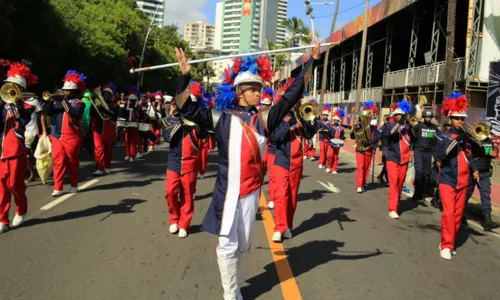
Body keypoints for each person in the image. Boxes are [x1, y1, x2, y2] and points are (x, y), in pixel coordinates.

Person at [173, 37, 319, 298]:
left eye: (258, 88)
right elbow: (185, 106)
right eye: (252, 89)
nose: (257, 92)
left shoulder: (264, 119)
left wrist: (312, 62)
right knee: (227, 246)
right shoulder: (219, 118)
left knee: (243, 247)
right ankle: (230, 295)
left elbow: (291, 96)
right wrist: (184, 77)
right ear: (239, 91)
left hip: (251, 194)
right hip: (226, 193)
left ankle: (236, 287)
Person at [270, 83, 319, 243]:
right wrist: (288, 123)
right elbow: (275, 137)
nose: (297, 102)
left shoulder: (301, 116)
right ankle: (279, 227)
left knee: (291, 197)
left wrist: (311, 121)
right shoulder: (278, 115)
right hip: (281, 160)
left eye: (298, 99)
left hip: (297, 162)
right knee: (281, 195)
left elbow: (310, 134)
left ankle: (288, 226)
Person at [435, 92, 479, 260]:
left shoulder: (466, 139)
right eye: (458, 118)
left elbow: (469, 156)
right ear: (451, 119)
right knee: (448, 213)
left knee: (458, 215)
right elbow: (441, 155)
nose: (461, 121)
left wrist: (474, 169)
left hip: (464, 181)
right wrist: (457, 140)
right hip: (447, 179)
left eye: (462, 118)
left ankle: (449, 242)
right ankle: (446, 245)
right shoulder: (443, 136)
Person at [164, 80, 208, 238]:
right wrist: (177, 121)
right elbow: (166, 136)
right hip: (174, 161)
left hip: (190, 163)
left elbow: (204, 137)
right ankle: (174, 218)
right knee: (170, 191)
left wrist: (197, 122)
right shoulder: (173, 117)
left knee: (188, 194)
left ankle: (184, 223)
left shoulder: (198, 121)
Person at [0, 62, 37, 233]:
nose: (11, 90)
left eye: (16, 87)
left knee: (15, 185)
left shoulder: (27, 107)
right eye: (10, 86)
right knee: (2, 188)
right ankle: (2, 219)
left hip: (16, 151)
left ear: (21, 90)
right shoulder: (2, 105)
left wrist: (16, 104)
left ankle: (21, 210)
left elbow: (22, 121)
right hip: (1, 151)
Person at [43, 70, 86, 196]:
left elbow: (74, 113)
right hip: (57, 136)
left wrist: (62, 100)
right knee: (58, 161)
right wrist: (48, 101)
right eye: (64, 90)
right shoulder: (57, 102)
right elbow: (46, 112)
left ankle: (73, 185)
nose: (65, 92)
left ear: (74, 92)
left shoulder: (79, 103)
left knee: (72, 162)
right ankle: (58, 187)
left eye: (68, 91)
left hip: (72, 137)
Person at [382, 100, 414, 219]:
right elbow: (387, 134)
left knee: (400, 183)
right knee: (394, 183)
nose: (400, 117)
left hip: (404, 159)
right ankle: (392, 208)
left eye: (402, 115)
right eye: (398, 115)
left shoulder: (408, 127)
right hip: (392, 157)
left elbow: (415, 137)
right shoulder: (389, 125)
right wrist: (398, 124)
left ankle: (396, 202)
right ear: (394, 116)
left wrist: (411, 125)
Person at [466, 123, 496, 231]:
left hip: (485, 172)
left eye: (488, 130)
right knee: (467, 192)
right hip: (474, 171)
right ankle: (459, 214)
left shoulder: (489, 141)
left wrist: (492, 154)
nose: (486, 132)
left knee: (486, 194)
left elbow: (489, 154)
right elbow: (471, 155)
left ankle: (487, 220)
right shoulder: (474, 141)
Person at [350, 101, 378, 193]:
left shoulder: (374, 126)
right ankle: (359, 185)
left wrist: (374, 146)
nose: (371, 116)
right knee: (361, 167)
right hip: (360, 148)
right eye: (370, 114)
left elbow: (376, 138)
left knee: (366, 168)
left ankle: (363, 184)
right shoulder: (359, 123)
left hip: (369, 148)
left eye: (373, 114)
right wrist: (355, 127)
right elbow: (352, 136)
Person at [411, 109, 439, 201]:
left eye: (430, 117)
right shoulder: (418, 126)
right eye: (426, 116)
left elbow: (437, 141)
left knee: (426, 174)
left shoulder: (434, 128)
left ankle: (421, 192)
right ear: (423, 117)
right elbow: (411, 136)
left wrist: (436, 157)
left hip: (428, 152)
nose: (428, 118)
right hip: (419, 151)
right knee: (419, 172)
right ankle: (416, 193)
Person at [91, 83, 118, 175]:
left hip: (108, 130)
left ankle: (107, 166)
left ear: (111, 95)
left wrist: (103, 109)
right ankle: (99, 168)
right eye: (104, 93)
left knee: (108, 150)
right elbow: (92, 113)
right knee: (98, 149)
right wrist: (95, 106)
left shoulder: (114, 105)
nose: (106, 95)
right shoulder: (97, 104)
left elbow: (114, 114)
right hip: (98, 129)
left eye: (108, 94)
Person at [328, 108, 346, 174]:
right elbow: (328, 134)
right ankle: (329, 166)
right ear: (333, 120)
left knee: (335, 156)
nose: (336, 121)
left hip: (337, 143)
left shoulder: (341, 128)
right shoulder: (330, 126)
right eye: (335, 120)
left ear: (339, 121)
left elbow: (342, 135)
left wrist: (343, 138)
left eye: (337, 120)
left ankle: (334, 168)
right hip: (331, 143)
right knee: (330, 155)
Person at [376, 114, 391, 184]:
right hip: (385, 146)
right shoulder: (384, 126)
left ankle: (381, 176)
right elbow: (379, 134)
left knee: (387, 164)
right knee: (387, 164)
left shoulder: (390, 125)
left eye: (384, 118)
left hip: (389, 146)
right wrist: (377, 141)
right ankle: (388, 180)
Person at [318, 104, 332, 169]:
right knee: (322, 150)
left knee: (326, 150)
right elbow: (317, 128)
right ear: (322, 115)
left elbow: (331, 129)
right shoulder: (319, 121)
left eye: (326, 115)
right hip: (321, 137)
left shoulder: (329, 122)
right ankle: (320, 162)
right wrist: (320, 129)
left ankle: (324, 163)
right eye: (324, 115)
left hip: (327, 137)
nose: (325, 116)